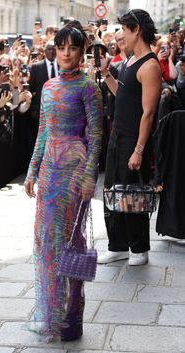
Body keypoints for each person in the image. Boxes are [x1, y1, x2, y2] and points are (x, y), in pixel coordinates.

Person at [24, 24, 103, 342]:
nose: (67, 53)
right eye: (62, 47)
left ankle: (72, 313)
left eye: (73, 47)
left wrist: (89, 176)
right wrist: (31, 172)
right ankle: (51, 315)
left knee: (72, 241)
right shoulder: (48, 87)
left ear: (82, 51)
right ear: (55, 50)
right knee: (46, 243)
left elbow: (96, 135)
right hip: (49, 174)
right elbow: (43, 132)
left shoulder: (88, 87)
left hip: (75, 171)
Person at [98, 9, 161, 266]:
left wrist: (138, 149)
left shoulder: (150, 65)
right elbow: (120, 95)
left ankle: (139, 248)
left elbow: (148, 113)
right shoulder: (128, 61)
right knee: (112, 190)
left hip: (134, 140)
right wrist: (106, 75)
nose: (121, 34)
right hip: (117, 136)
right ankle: (118, 244)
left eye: (124, 29)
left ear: (136, 30)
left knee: (132, 193)